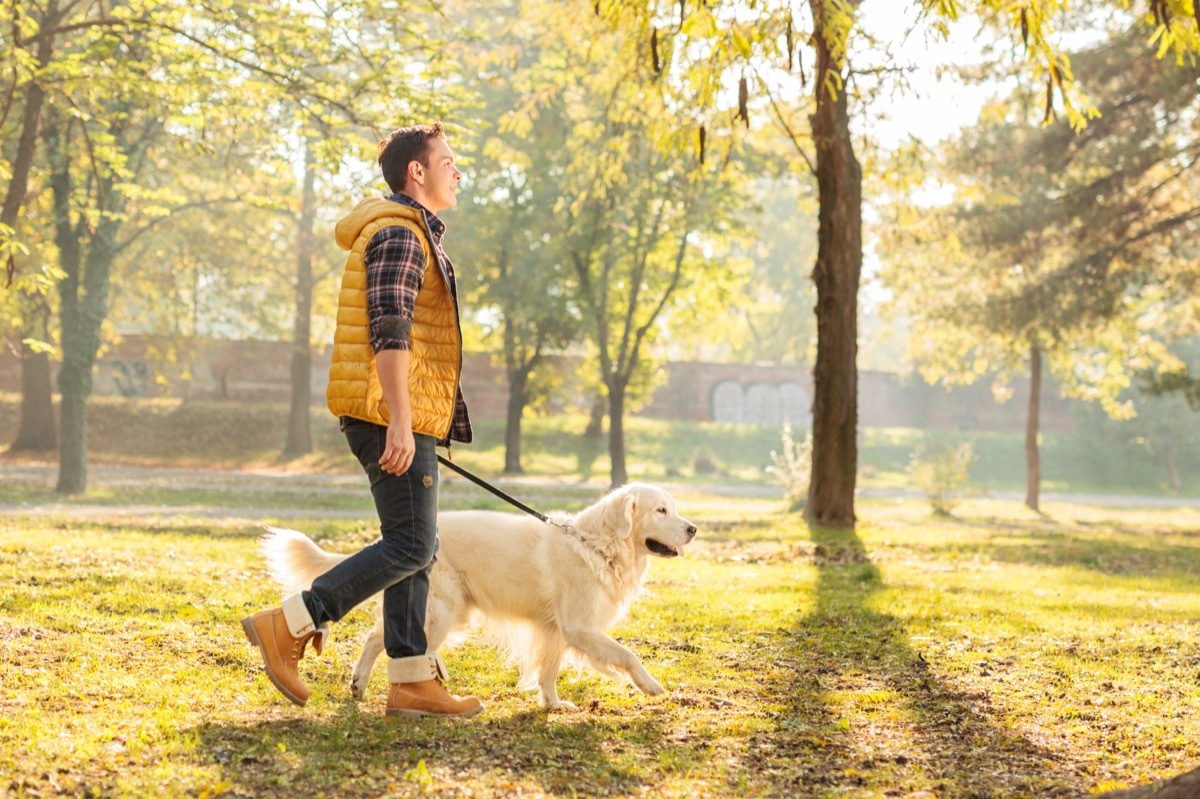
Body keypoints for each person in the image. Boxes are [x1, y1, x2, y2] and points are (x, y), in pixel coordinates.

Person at [242, 122, 482, 719]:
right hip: (386, 415)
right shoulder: (401, 234)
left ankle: (410, 680)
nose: (458, 172)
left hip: (401, 415)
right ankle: (291, 622)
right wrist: (402, 420)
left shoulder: (412, 232)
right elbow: (390, 327)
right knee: (413, 543)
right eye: (448, 161)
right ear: (416, 172)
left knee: (417, 549)